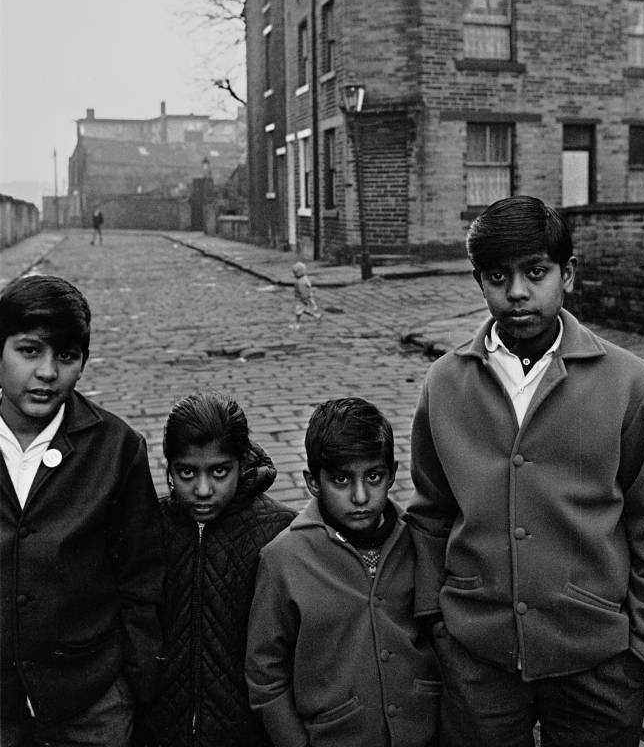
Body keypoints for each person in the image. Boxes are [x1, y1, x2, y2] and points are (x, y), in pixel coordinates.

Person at [405, 195, 644, 747]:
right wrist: (439, 622)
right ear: (479, 281)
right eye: (498, 276)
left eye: (536, 272)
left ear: (567, 274)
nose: (518, 292)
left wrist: (642, 647)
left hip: (598, 660)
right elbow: (430, 515)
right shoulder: (444, 384)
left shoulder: (632, 385)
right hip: (478, 659)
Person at [0, 274, 164, 747]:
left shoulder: (115, 449)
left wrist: (131, 685)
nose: (48, 372)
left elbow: (142, 576)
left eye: (67, 357)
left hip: (90, 703)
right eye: (29, 351)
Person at [245, 397, 441, 747]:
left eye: (374, 476)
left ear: (393, 474)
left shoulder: (416, 541)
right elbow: (265, 674)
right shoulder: (283, 560)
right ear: (313, 482)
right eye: (341, 480)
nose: (361, 495)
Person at [140, 391, 295, 747]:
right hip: (161, 730)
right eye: (187, 472)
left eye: (219, 471)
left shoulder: (279, 531)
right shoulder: (149, 527)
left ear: (242, 463)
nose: (203, 489)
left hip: (248, 732)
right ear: (169, 468)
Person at [292, 261, 321, 326]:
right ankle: (316, 315)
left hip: (302, 299)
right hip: (303, 298)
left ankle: (297, 324)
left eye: (295, 273)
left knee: (298, 311)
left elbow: (303, 291)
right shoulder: (303, 279)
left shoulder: (301, 281)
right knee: (303, 310)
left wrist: (304, 299)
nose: (294, 274)